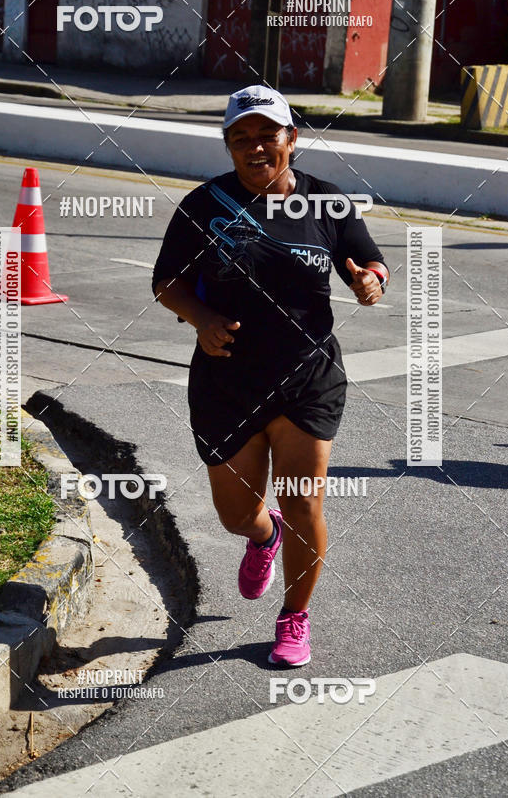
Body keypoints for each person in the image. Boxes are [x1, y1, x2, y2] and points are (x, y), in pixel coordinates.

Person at [151, 85, 389, 666]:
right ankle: (264, 536)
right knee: (237, 514)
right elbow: (166, 282)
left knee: (305, 500)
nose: (255, 147)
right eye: (241, 138)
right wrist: (201, 317)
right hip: (226, 378)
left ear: (291, 139)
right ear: (229, 146)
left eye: (267, 135)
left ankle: (294, 617)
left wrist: (369, 281)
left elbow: (369, 257)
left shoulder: (326, 203)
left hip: (308, 375)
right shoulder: (203, 206)